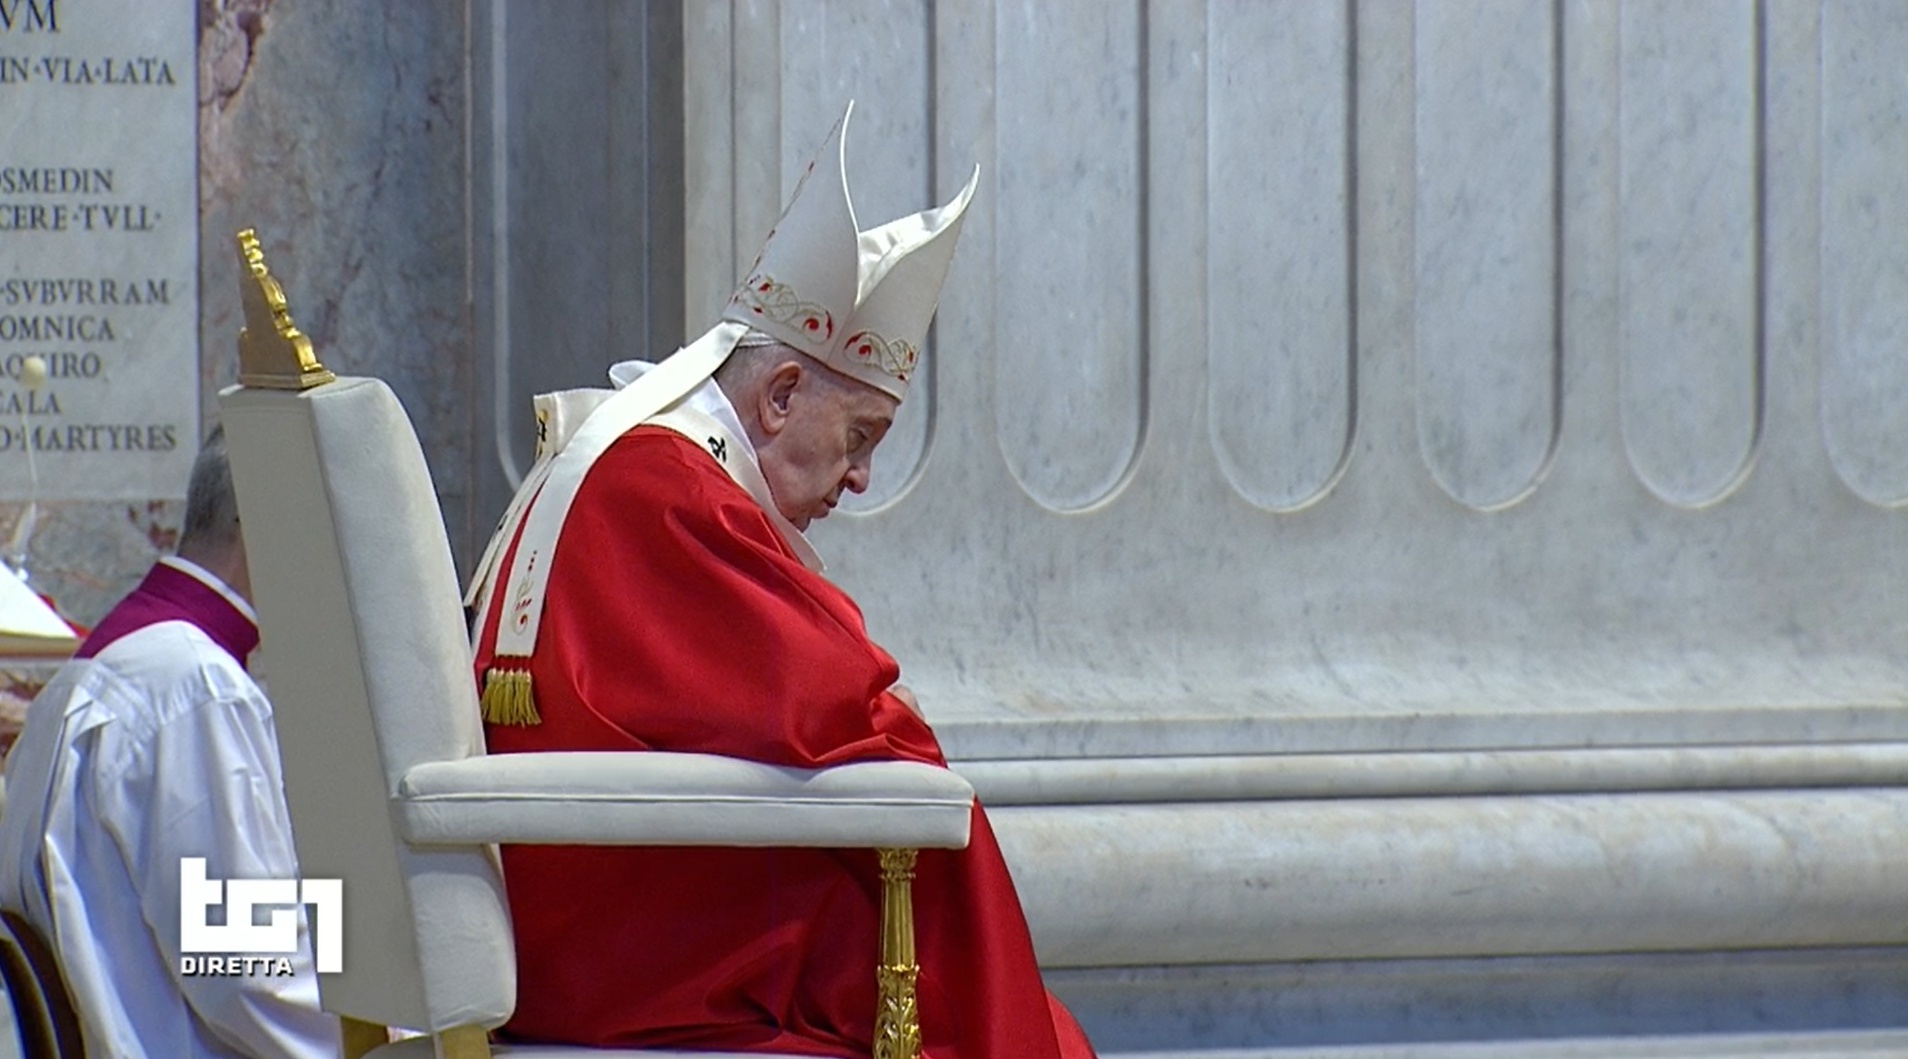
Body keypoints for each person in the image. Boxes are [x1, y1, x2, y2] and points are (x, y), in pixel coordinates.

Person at [467, 104, 1096, 1059]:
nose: (860, 479)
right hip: (619, 940)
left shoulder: (643, 465)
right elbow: (828, 700)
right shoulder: (664, 488)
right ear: (783, 396)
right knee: (916, 932)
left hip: (605, 890)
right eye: (860, 438)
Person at [0, 426, 336, 1059]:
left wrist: (342, 919)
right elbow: (248, 967)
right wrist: (397, 1014)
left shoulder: (116, 662)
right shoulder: (194, 688)